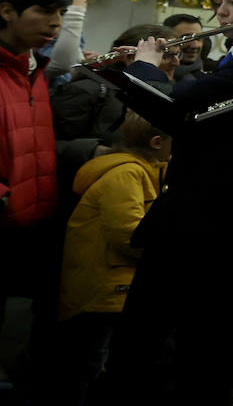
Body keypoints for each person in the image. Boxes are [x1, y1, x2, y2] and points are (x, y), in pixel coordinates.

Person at [103, 0, 233, 405]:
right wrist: (122, 75)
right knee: (147, 339)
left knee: (200, 348)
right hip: (195, 214)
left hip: (218, 220)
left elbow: (179, 102)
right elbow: (181, 122)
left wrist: (149, 68)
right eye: (217, 4)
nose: (222, 13)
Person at [54, 111, 170, 406]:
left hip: (117, 284)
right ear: (157, 142)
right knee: (91, 369)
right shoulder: (126, 174)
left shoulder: (149, 169)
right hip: (106, 289)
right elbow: (130, 236)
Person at [0, 0, 73, 387]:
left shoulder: (32, 68)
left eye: (61, 13)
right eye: (45, 11)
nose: (56, 22)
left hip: (35, 220)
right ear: (7, 11)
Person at [49, 24, 175, 206]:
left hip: (132, 196)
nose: (176, 62)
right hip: (84, 197)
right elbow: (47, 147)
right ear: (132, 57)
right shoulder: (87, 90)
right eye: (167, 54)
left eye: (176, 54)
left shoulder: (162, 94)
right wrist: (95, 150)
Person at [161, 13, 208, 80]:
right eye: (186, 39)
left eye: (198, 38)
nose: (195, 45)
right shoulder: (151, 74)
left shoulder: (208, 77)